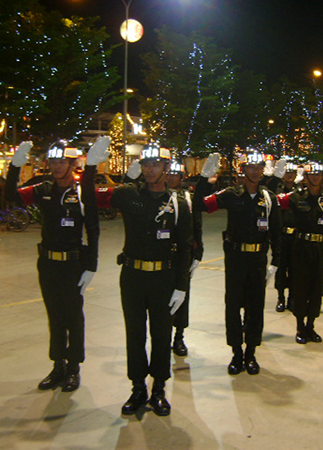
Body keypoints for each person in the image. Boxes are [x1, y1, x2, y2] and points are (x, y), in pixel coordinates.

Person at [5, 137, 110, 392]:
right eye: (53, 162)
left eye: (62, 161)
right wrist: (15, 167)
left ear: (72, 164)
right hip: (48, 264)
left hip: (73, 265)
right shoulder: (43, 190)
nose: (56, 166)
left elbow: (93, 230)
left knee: (73, 317)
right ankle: (58, 366)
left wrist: (91, 266)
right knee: (54, 315)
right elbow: (12, 196)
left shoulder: (82, 192)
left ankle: (73, 368)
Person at [111, 146, 193, 416]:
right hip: (133, 276)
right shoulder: (130, 195)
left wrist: (181, 286)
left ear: (167, 168)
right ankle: (137, 388)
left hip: (163, 278)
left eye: (156, 164)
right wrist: (95, 171)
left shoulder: (179, 203)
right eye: (145, 164)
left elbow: (185, 247)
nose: (150, 169)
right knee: (134, 333)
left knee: (161, 334)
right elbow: (99, 197)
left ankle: (158, 389)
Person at [194, 150, 281, 375]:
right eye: (250, 167)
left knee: (255, 307)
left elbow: (277, 231)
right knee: (233, 306)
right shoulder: (231, 194)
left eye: (258, 167)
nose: (255, 171)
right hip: (235, 259)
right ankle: (236, 352)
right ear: (242, 170)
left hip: (258, 259)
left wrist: (276, 261)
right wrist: (204, 178)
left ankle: (251, 352)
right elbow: (200, 204)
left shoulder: (269, 198)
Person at [278, 161, 323, 343]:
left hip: (320, 248)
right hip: (301, 246)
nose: (316, 178)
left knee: (316, 287)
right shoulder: (296, 197)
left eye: (318, 175)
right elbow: (273, 200)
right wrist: (272, 179)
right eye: (312, 175)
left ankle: (311, 325)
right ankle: (300, 327)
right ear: (305, 177)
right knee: (300, 287)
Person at [165, 160, 204, 356]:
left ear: (181, 177)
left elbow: (197, 224)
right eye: (168, 174)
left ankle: (179, 336)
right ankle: (163, 336)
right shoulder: (158, 195)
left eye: (175, 174)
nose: (171, 177)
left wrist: (198, 252)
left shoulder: (188, 198)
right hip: (162, 253)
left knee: (182, 294)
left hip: (183, 252)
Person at [265, 159, 298, 312]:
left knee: (295, 269)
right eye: (287, 172)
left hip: (296, 236)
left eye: (292, 172)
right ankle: (280, 298)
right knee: (280, 267)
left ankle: (292, 298)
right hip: (281, 235)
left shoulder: (300, 192)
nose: (289, 175)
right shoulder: (276, 190)